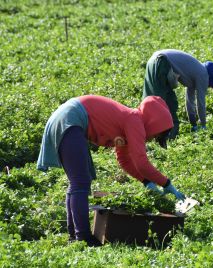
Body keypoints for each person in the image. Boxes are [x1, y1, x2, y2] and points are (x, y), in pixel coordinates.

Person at [37, 95, 186, 246]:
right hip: (70, 119)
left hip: (66, 118)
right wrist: (166, 183)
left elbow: (125, 160)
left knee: (78, 183)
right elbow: (141, 162)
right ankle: (83, 237)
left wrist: (146, 181)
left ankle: (74, 236)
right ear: (154, 124)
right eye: (157, 135)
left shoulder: (130, 121)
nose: (153, 139)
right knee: (80, 183)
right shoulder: (135, 120)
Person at [143, 49, 213, 138]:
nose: (209, 86)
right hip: (161, 63)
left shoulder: (195, 71)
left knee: (167, 102)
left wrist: (193, 124)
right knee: (157, 104)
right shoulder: (203, 74)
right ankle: (157, 137)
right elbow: (200, 103)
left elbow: (189, 101)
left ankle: (162, 136)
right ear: (212, 77)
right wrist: (203, 126)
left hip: (154, 60)